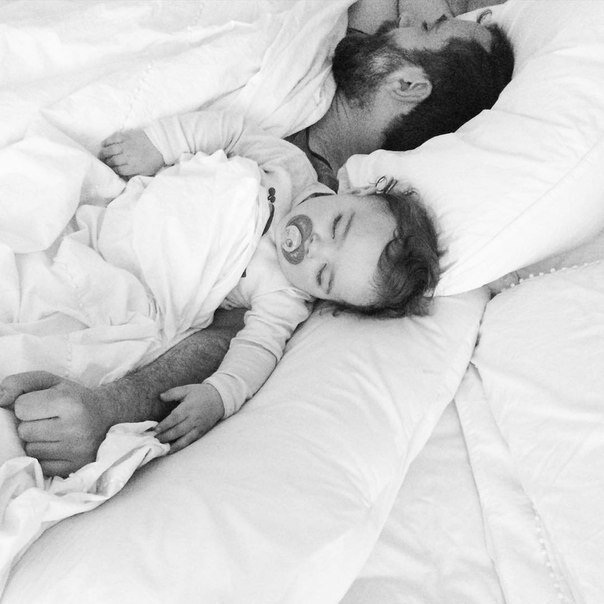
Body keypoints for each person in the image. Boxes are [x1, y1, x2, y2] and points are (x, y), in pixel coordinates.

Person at [0, 7, 514, 475]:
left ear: (409, 84)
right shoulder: (296, 153)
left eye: (426, 27)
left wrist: (215, 395)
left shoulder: (300, 275)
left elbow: (253, 344)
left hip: (118, 275)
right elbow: (227, 130)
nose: (406, 19)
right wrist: (159, 144)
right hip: (99, 202)